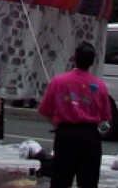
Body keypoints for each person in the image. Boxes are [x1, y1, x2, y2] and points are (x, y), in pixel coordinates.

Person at [38, 41, 111, 188]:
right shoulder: (100, 86)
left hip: (65, 135)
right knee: (88, 180)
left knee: (61, 179)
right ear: (92, 62)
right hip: (90, 136)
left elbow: (45, 111)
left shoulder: (58, 82)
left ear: (74, 58)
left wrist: (57, 124)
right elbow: (105, 117)